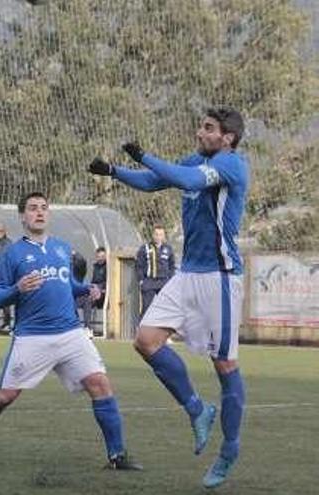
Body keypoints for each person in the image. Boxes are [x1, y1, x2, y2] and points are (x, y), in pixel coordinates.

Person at [88, 106, 249, 488]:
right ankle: (197, 409)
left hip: (220, 279)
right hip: (188, 273)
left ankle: (229, 450)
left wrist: (143, 154)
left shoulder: (231, 165)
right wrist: (114, 172)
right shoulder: (198, 159)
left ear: (227, 137)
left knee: (225, 367)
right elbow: (155, 182)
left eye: (208, 128)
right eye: (201, 126)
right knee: (145, 341)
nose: (200, 132)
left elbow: (181, 178)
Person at [0, 192, 141, 471]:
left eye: (43, 208)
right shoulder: (12, 254)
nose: (39, 212)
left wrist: (87, 289)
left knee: (100, 384)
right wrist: (18, 288)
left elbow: (65, 284)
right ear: (23, 216)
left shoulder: (61, 248)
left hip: (70, 333)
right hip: (32, 337)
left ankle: (117, 456)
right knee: (4, 396)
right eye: (32, 208)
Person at [136, 226, 176, 316]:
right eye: (156, 234)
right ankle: (144, 329)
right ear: (152, 235)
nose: (158, 237)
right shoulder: (144, 248)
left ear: (164, 236)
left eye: (161, 234)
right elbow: (139, 265)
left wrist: (170, 279)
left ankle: (166, 329)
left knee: (167, 308)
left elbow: (172, 265)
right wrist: (141, 281)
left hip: (164, 282)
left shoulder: (168, 249)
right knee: (146, 309)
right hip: (149, 282)